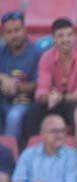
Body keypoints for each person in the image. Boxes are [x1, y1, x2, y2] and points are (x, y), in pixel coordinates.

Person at [25, 18, 77, 144]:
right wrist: (48, 97)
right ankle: (29, 151)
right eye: (61, 36)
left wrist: (60, 97)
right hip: (54, 101)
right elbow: (41, 90)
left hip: (76, 103)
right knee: (32, 112)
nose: (66, 39)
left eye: (69, 35)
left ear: (75, 36)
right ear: (54, 39)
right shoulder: (46, 57)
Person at [10, 114, 77, 182]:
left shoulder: (71, 154)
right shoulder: (28, 154)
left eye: (62, 131)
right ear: (42, 134)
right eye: (55, 131)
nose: (60, 135)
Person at [0, 11, 39, 141]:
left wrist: (16, 87)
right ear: (3, 34)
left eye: (17, 30)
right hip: (3, 100)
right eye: (9, 32)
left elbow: (38, 85)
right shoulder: (2, 51)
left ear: (24, 30)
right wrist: (3, 78)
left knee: (14, 116)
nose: (14, 35)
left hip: (26, 102)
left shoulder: (36, 53)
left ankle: (9, 157)